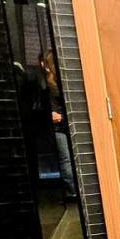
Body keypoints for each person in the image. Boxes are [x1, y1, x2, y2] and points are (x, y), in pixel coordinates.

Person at [40, 51, 78, 203]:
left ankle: (73, 192)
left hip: (59, 126)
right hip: (67, 124)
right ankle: (75, 191)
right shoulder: (64, 81)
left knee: (65, 160)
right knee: (69, 159)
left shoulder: (49, 83)